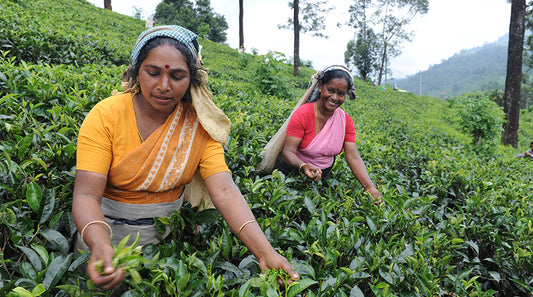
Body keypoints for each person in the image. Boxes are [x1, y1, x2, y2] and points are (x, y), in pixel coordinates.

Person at [72, 25, 299, 291]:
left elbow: (224, 190)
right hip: (100, 237)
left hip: (163, 248)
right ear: (136, 71)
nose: (163, 86)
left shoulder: (198, 126)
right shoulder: (106, 115)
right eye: (152, 73)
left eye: (177, 76)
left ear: (192, 79)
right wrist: (99, 244)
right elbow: (86, 195)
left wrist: (264, 253)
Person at [261, 65, 381, 203]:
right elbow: (288, 153)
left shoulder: (345, 121)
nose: (335, 98)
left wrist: (369, 187)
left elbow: (353, 156)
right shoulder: (303, 114)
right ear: (320, 87)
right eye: (330, 90)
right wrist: (303, 166)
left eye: (341, 94)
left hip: (321, 177)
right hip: (290, 173)